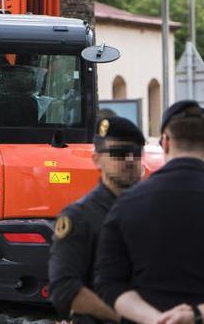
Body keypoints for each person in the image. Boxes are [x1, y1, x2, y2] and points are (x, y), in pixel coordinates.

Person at [94, 100, 204, 324]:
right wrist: (197, 316)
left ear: (166, 142)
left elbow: (108, 284)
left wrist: (157, 319)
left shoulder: (126, 206)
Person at [48, 117, 145, 323]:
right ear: (97, 159)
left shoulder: (153, 211)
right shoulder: (78, 217)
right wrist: (120, 318)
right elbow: (65, 289)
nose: (129, 160)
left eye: (135, 153)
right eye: (118, 153)